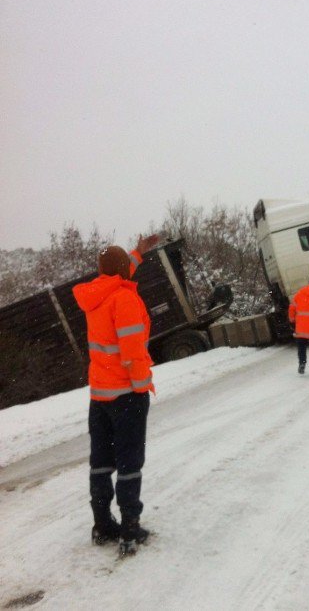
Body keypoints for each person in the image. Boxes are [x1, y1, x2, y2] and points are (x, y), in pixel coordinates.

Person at [73, 233, 160, 557]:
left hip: (100, 396)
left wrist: (138, 252)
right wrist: (142, 386)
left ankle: (102, 525)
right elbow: (132, 352)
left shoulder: (97, 295)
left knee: (101, 462)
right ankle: (130, 527)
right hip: (126, 395)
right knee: (129, 462)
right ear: (123, 270)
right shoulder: (123, 299)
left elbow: (119, 272)